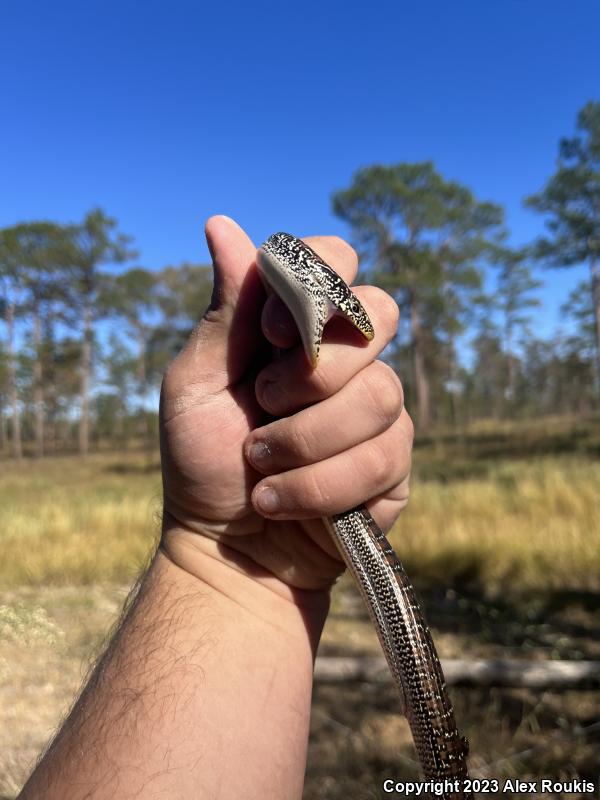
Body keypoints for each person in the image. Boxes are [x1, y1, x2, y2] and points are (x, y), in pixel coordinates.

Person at [18, 216, 413, 799]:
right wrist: (216, 557)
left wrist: (243, 574)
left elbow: (337, 313)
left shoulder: (307, 307)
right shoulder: (275, 283)